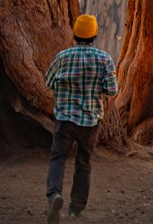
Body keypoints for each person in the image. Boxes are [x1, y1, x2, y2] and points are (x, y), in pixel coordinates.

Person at [44, 14, 118, 223]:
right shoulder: (104, 58)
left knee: (58, 157)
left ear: (75, 34)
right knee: (84, 162)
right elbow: (112, 90)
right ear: (95, 35)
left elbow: (48, 81)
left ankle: (54, 195)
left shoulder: (62, 57)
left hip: (65, 119)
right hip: (91, 121)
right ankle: (76, 208)